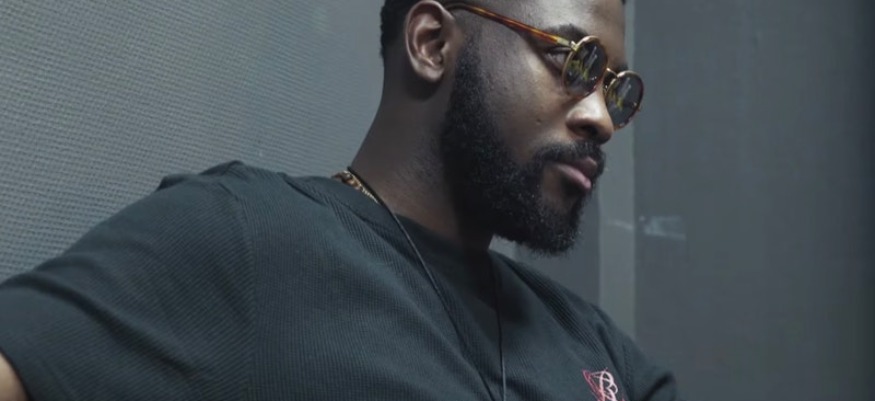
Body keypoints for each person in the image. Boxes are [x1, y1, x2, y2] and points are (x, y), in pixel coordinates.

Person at [0, 0, 675, 399]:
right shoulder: (249, 240)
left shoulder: (596, 348)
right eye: (575, 61)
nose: (601, 119)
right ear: (431, 43)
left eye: (617, 91)